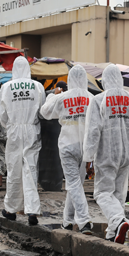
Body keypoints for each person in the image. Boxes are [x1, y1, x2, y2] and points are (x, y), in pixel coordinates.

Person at [84, 65, 129, 243]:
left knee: (102, 193)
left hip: (106, 153)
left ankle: (118, 220)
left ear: (104, 81)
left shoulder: (98, 100)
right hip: (126, 153)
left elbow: (93, 131)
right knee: (119, 194)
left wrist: (88, 157)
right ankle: (114, 232)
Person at [41, 65, 95, 233]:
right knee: (76, 184)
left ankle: (84, 220)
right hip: (86, 146)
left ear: (70, 79)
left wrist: (52, 97)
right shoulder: (92, 98)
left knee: (73, 184)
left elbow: (45, 112)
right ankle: (67, 221)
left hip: (68, 145)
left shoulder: (62, 97)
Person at [0, 56, 46, 226]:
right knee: (30, 169)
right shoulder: (38, 86)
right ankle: (32, 211)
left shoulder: (5, 87)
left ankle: (11, 209)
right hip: (32, 129)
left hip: (14, 130)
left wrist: (10, 125)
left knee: (14, 170)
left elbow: (2, 116)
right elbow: (43, 111)